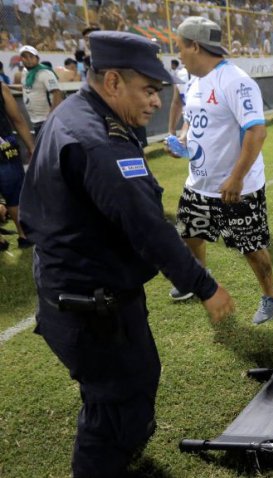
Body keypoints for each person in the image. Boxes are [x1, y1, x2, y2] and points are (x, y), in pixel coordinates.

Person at [18, 31, 235, 477]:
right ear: (113, 81)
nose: (156, 102)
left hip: (75, 290)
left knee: (120, 387)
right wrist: (204, 286)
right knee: (119, 400)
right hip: (91, 307)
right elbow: (148, 228)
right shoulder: (102, 142)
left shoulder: (73, 115)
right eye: (148, 90)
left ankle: (122, 452)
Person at [166, 17, 273, 325]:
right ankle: (200, 281)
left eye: (180, 47)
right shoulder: (192, 81)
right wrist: (182, 139)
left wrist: (236, 177)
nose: (178, 53)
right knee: (190, 234)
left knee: (252, 248)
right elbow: (194, 120)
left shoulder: (236, 81)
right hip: (199, 183)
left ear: (194, 45)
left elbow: (256, 132)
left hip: (237, 188)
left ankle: (271, 296)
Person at [0, 81, 36, 249]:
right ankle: (23, 234)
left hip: (5, 150)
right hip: (4, 148)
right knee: (15, 194)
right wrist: (31, 147)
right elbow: (18, 119)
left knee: (14, 192)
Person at [18, 45, 64, 135]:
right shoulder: (25, 73)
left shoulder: (45, 73)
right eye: (25, 57)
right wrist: (7, 86)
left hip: (46, 120)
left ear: (37, 58)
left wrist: (51, 116)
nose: (28, 59)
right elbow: (24, 87)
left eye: (31, 56)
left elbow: (57, 93)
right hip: (35, 120)